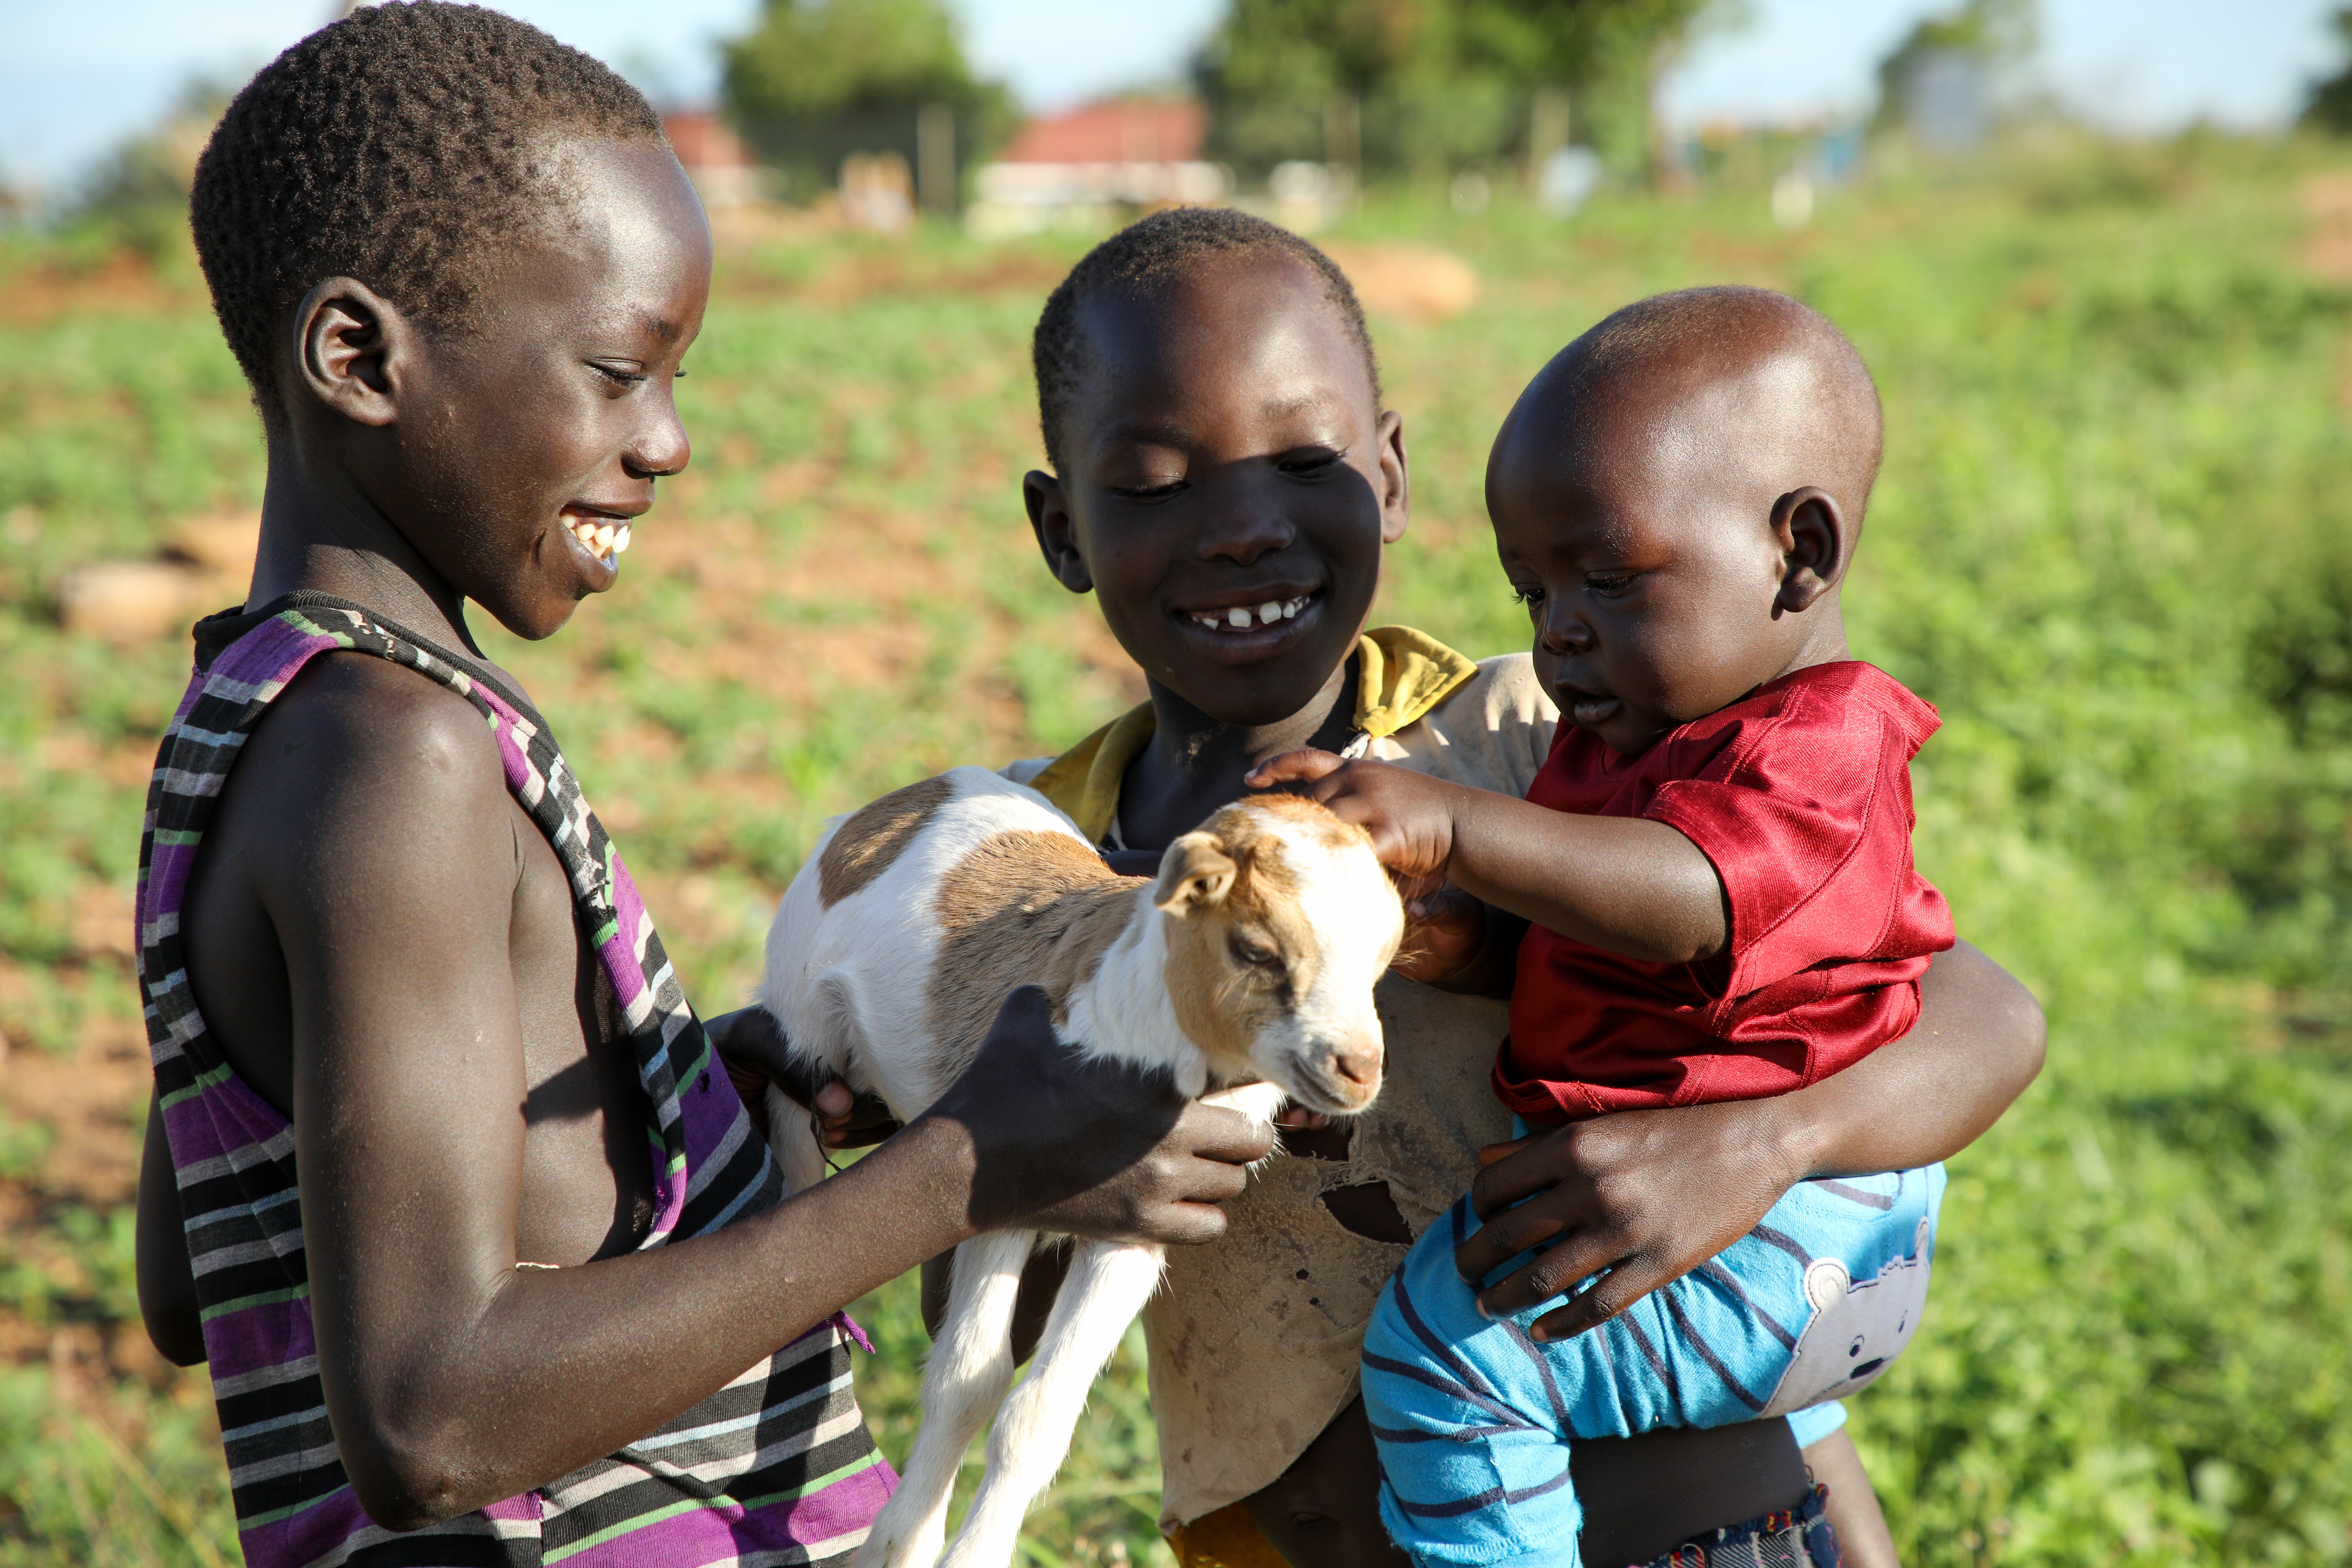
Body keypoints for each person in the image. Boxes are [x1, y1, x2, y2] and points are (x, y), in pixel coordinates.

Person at [131, 9, 1269, 1566]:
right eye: (617, 372)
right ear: (358, 359)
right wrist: (965, 1168)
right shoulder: (401, 760)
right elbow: (430, 1419)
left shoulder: (253, 714)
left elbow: (202, 1269)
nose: (665, 441)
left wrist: (704, 1098)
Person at [994, 211, 2045, 1568]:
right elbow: (1015, 1317)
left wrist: (1765, 1141)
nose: (1242, 528)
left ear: (1388, 471)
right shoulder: (1034, 877)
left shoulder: (1547, 737)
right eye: (1150, 481)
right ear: (1059, 524)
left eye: (1303, 461)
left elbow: (1979, 1010)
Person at [1253, 286, 1973, 1568]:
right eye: (1532, 592)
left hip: (1806, 1221)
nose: (1557, 630)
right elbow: (1624, 950)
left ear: (1799, 552)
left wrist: (1457, 825)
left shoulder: (1822, 744)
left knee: (1451, 1354)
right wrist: (1474, 944)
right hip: (1773, 1231)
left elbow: (1692, 898)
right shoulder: (1636, 740)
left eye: (1607, 576)